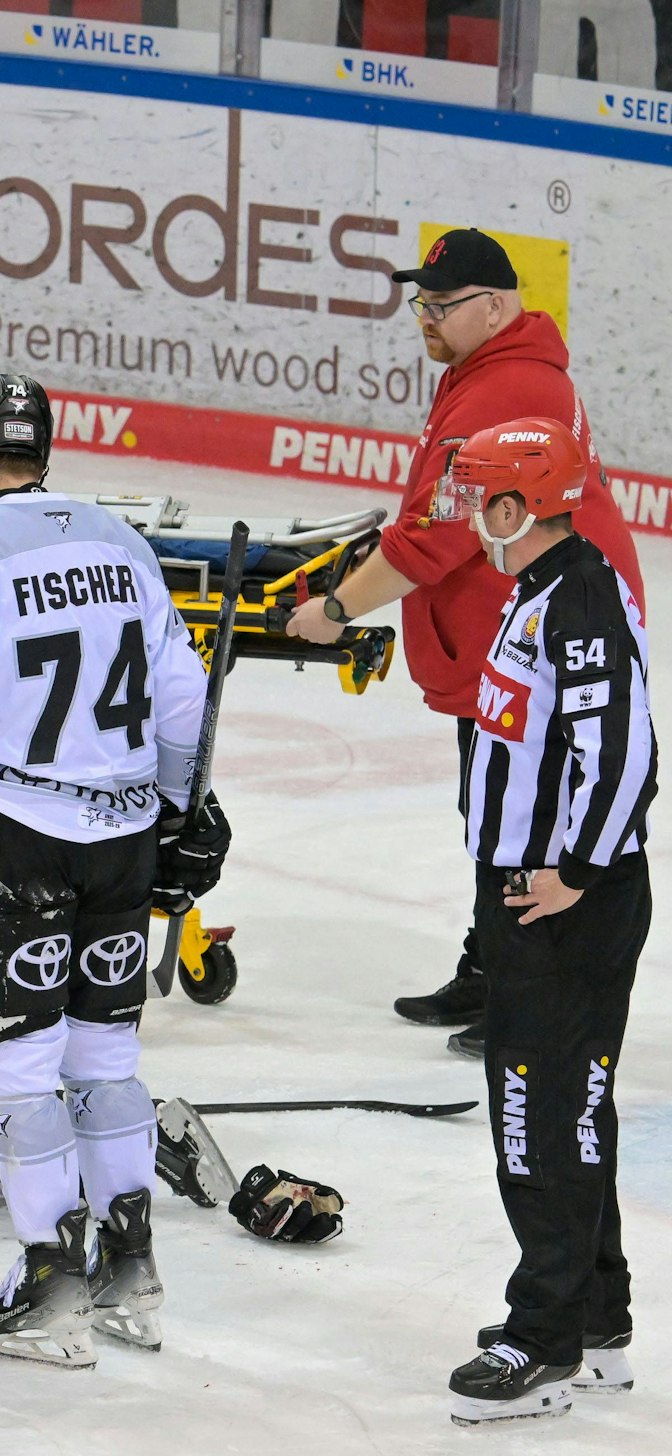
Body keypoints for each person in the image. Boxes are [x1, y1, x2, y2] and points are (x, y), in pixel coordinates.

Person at [0, 372, 222, 1369]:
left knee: (18, 1068)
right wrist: (174, 808)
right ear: (44, 455)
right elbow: (179, 694)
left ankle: (49, 1277)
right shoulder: (119, 540)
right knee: (105, 1061)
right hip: (120, 836)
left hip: (13, 835)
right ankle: (131, 1268)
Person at [285, 229, 643, 1059]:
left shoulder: (501, 387)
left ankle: (532, 993)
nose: (425, 319)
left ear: (495, 305)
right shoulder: (494, 370)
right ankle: (495, 967)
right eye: (421, 303)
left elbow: (435, 538)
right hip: (518, 627)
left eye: (443, 306)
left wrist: (338, 606)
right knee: (503, 809)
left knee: (530, 816)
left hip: (537, 638)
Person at [430, 419, 654, 1425]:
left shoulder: (577, 603)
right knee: (567, 1111)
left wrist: (572, 869)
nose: (464, 511)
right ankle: (592, 1317)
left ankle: (543, 1339)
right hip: (544, 890)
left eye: (475, 494)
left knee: (533, 1123)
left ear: (516, 507)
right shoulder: (545, 588)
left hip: (558, 899)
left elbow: (621, 753)